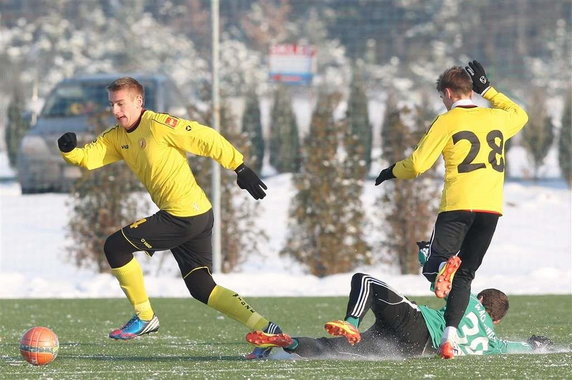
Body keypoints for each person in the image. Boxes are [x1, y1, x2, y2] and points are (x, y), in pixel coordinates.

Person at [57, 77, 279, 359]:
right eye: (112, 104)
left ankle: (145, 316)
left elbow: (205, 138)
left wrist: (239, 166)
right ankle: (267, 330)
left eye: (121, 104)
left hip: (183, 216)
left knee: (115, 246)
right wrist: (69, 151)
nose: (115, 110)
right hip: (195, 215)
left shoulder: (159, 125)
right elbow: (89, 158)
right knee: (201, 287)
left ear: (139, 102)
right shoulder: (117, 137)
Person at [373, 60, 529, 358]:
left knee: (433, 267)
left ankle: (445, 266)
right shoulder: (496, 117)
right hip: (490, 209)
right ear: (471, 90)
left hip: (458, 205)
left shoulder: (446, 121)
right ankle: (449, 338)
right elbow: (520, 115)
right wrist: (490, 90)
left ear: (447, 93)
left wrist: (392, 171)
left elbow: (417, 164)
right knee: (466, 276)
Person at [246, 272, 552, 359]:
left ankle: (349, 324)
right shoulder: (493, 342)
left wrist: (426, 255)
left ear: (480, 298)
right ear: (496, 320)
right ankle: (291, 344)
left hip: (418, 325)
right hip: (415, 349)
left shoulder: (467, 297)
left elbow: (439, 278)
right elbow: (521, 347)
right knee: (331, 350)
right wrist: (537, 344)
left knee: (364, 281)